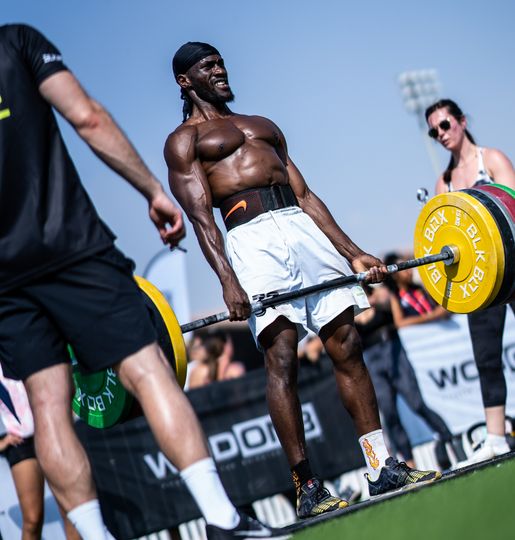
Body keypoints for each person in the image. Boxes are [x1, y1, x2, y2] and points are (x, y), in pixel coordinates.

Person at [0, 24, 288, 540]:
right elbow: (87, 117)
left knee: (47, 408)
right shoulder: (15, 42)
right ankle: (223, 520)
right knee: (148, 370)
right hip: (68, 244)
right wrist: (153, 190)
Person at [165, 41, 442, 515]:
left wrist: (353, 252)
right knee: (283, 357)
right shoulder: (183, 141)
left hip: (300, 225)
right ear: (185, 81)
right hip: (250, 239)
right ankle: (308, 486)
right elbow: (201, 219)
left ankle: (380, 467)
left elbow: (307, 194)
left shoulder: (262, 126)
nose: (220, 69)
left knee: (348, 344)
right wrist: (228, 280)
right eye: (208, 66)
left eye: (221, 62)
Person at [426, 98, 515, 466]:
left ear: (461, 121)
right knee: (487, 358)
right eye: (433, 131)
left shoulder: (491, 160)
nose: (440, 134)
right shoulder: (444, 181)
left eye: (445, 125)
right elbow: (442, 235)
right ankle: (496, 437)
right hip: (481, 284)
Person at [378, 256, 467, 467]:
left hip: (440, 354)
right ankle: (410, 465)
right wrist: (431, 317)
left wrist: (438, 314)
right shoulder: (394, 296)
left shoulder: (421, 289)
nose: (409, 270)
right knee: (395, 412)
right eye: (402, 266)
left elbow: (442, 310)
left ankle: (452, 444)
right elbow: (400, 322)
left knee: (420, 404)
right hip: (412, 359)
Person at [0, 364, 81, 540]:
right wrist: (2, 442)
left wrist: (71, 406)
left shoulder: (22, 345)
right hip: (22, 443)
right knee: (32, 520)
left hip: (53, 431)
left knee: (72, 512)